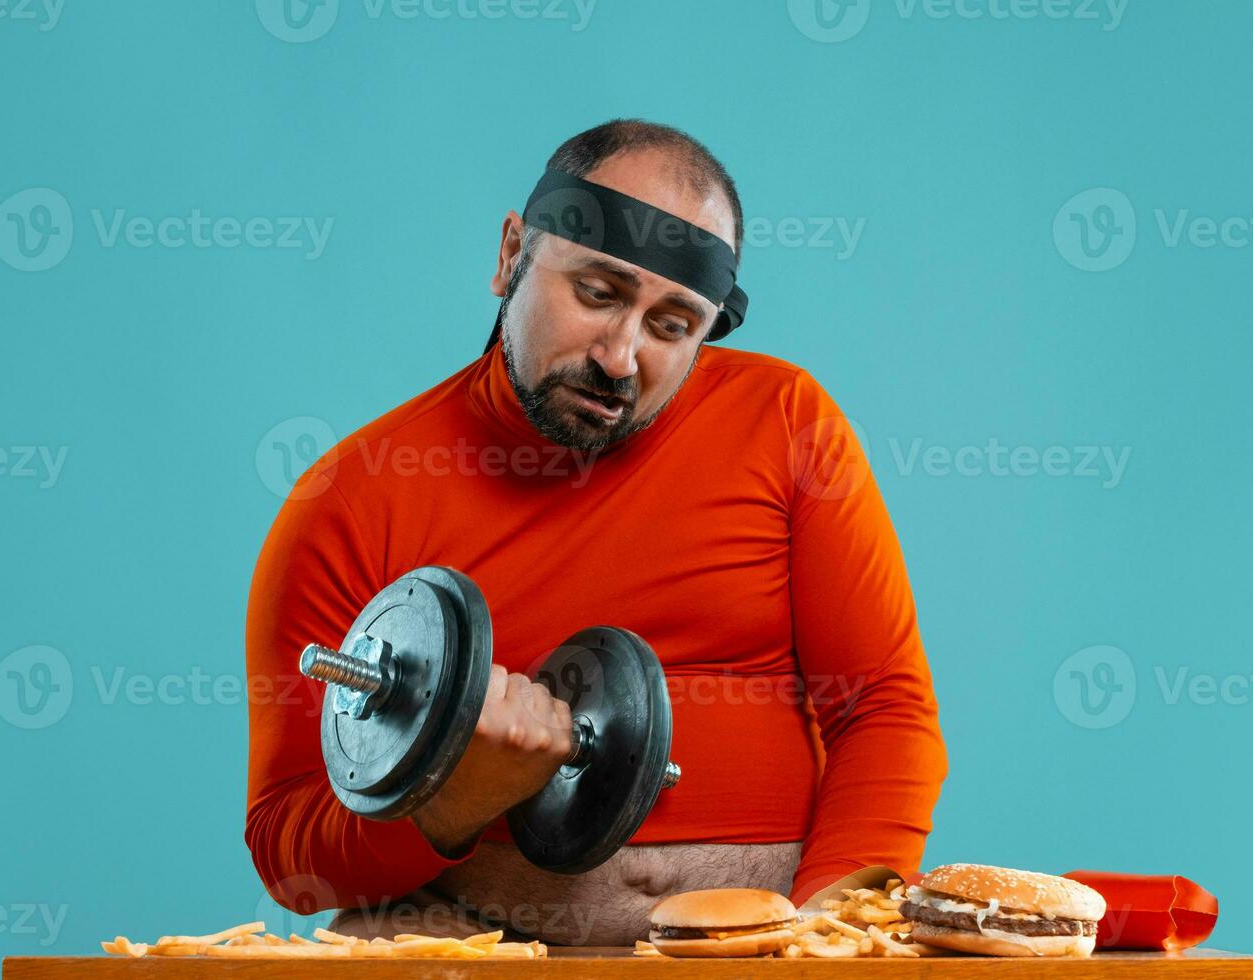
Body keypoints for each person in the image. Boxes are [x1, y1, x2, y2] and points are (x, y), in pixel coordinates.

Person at [244, 118, 946, 946]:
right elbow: (288, 847)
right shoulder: (351, 498)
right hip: (479, 941)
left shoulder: (787, 423)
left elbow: (883, 709)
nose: (619, 357)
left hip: (764, 940)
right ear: (512, 256)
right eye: (598, 293)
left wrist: (831, 933)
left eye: (671, 324)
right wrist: (455, 799)